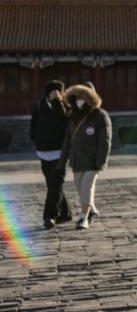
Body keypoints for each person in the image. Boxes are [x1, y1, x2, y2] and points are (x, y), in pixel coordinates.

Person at [60, 84, 112, 229]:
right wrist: (62, 162)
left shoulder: (100, 115)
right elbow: (67, 141)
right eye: (77, 97)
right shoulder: (73, 116)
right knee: (79, 186)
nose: (80, 100)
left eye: (83, 97)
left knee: (86, 187)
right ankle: (92, 209)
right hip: (77, 159)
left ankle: (84, 218)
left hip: (92, 160)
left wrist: (100, 161)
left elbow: (105, 141)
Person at [29, 80, 73, 228]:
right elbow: (33, 123)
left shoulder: (64, 106)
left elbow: (62, 118)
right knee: (53, 185)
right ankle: (65, 214)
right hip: (43, 151)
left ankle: (49, 216)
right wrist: (35, 139)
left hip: (59, 152)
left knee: (55, 184)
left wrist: (57, 102)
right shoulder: (39, 104)